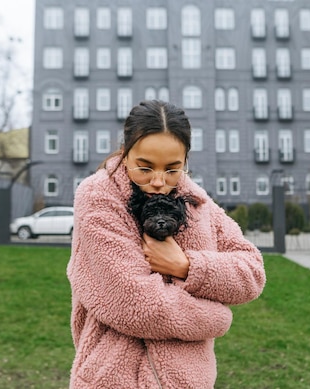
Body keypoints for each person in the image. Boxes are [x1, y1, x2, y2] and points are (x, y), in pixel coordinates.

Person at [67, 100, 266, 388]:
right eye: (145, 168)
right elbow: (135, 304)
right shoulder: (99, 197)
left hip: (190, 380)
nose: (159, 182)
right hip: (114, 379)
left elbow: (252, 272)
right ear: (125, 153)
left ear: (185, 160)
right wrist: (217, 317)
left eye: (172, 169)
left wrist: (188, 266)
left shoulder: (196, 200)